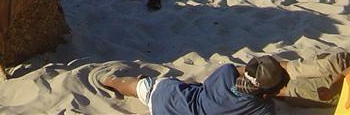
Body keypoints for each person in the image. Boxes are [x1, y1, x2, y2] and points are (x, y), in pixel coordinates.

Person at [102, 56, 287, 115]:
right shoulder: (262, 108)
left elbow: (209, 84)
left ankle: (108, 81)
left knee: (144, 87)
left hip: (169, 96)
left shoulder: (226, 74)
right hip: (169, 108)